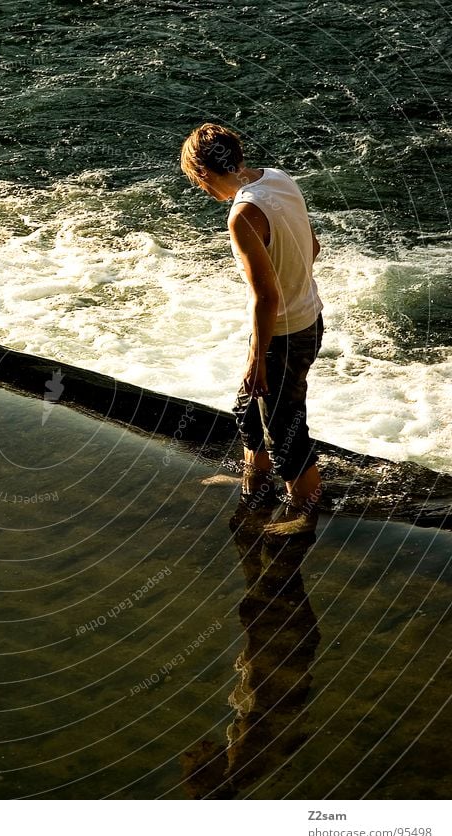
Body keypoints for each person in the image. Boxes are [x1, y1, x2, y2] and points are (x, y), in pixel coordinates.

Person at [180, 123, 324, 535]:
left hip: (284, 333)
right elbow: (312, 246)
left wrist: (258, 358)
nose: (201, 189)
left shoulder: (242, 214)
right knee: (248, 407)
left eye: (196, 181)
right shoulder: (278, 179)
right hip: (308, 319)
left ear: (203, 173)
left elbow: (266, 298)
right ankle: (254, 483)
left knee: (285, 432)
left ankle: (304, 513)